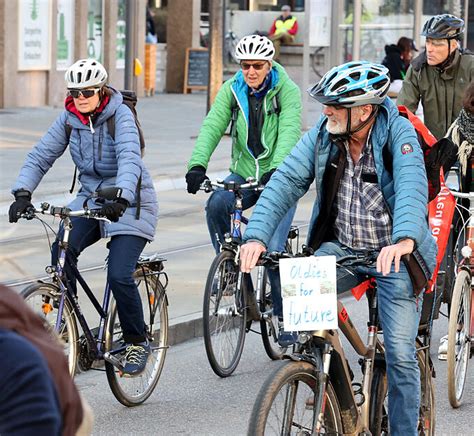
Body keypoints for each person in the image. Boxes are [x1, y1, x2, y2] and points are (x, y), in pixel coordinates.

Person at [240, 61, 437, 435]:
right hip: (343, 247)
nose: (326, 111)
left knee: (399, 354)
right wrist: (257, 235)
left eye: (335, 105)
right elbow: (286, 180)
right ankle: (326, 375)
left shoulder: (399, 132)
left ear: (364, 110)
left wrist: (405, 238)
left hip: (394, 254)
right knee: (306, 312)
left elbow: (412, 185)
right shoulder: (325, 133)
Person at [8, 58, 158, 376]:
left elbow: (130, 159)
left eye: (87, 91)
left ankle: (136, 341)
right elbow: (41, 154)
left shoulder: (120, 115)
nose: (80, 97)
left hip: (130, 201)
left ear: (101, 90)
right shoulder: (69, 118)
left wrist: (122, 198)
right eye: (75, 92)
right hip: (91, 200)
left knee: (119, 273)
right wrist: (23, 192)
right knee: (61, 253)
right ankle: (71, 327)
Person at [185, 35, 302, 345]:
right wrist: (197, 165)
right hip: (245, 171)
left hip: (281, 175)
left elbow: (290, 129)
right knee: (217, 204)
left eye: (258, 66)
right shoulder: (233, 89)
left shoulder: (287, 91)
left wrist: (278, 169)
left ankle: (285, 317)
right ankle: (227, 265)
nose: (251, 71)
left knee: (274, 251)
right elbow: (212, 125)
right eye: (246, 66)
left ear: (269, 64)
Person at [0, 283, 92, 435]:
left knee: (118, 276)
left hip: (67, 415)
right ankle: (63, 309)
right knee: (62, 267)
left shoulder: (13, 356)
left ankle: (137, 340)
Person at [438, 80, 474, 359]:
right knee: (458, 261)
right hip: (467, 204)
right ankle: (457, 328)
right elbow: (443, 158)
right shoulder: (462, 125)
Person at [398, 14, 474, 140]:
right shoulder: (418, 69)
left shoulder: (470, 67)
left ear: (454, 45)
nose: (430, 49)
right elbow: (402, 113)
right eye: (428, 42)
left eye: (437, 44)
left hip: (468, 147)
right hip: (434, 147)